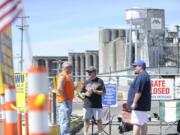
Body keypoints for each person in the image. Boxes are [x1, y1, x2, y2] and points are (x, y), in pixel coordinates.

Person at [127, 60, 151, 135]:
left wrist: (134, 103)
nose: (134, 68)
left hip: (138, 105)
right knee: (143, 123)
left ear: (140, 67)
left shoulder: (141, 76)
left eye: (135, 66)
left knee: (136, 123)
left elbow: (139, 91)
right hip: (142, 105)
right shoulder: (145, 75)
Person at [81, 66, 106, 135]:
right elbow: (81, 92)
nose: (88, 73)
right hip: (87, 105)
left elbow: (103, 93)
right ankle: (85, 133)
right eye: (88, 72)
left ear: (94, 72)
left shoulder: (100, 81)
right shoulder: (86, 81)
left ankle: (100, 133)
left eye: (90, 72)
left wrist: (95, 91)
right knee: (86, 120)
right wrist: (86, 93)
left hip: (97, 104)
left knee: (98, 120)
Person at [56, 61, 74, 135]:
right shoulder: (63, 76)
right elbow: (59, 88)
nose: (72, 69)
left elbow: (65, 88)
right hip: (64, 102)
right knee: (65, 121)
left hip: (66, 101)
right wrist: (65, 98)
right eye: (71, 68)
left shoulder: (67, 76)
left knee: (66, 120)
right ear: (68, 68)